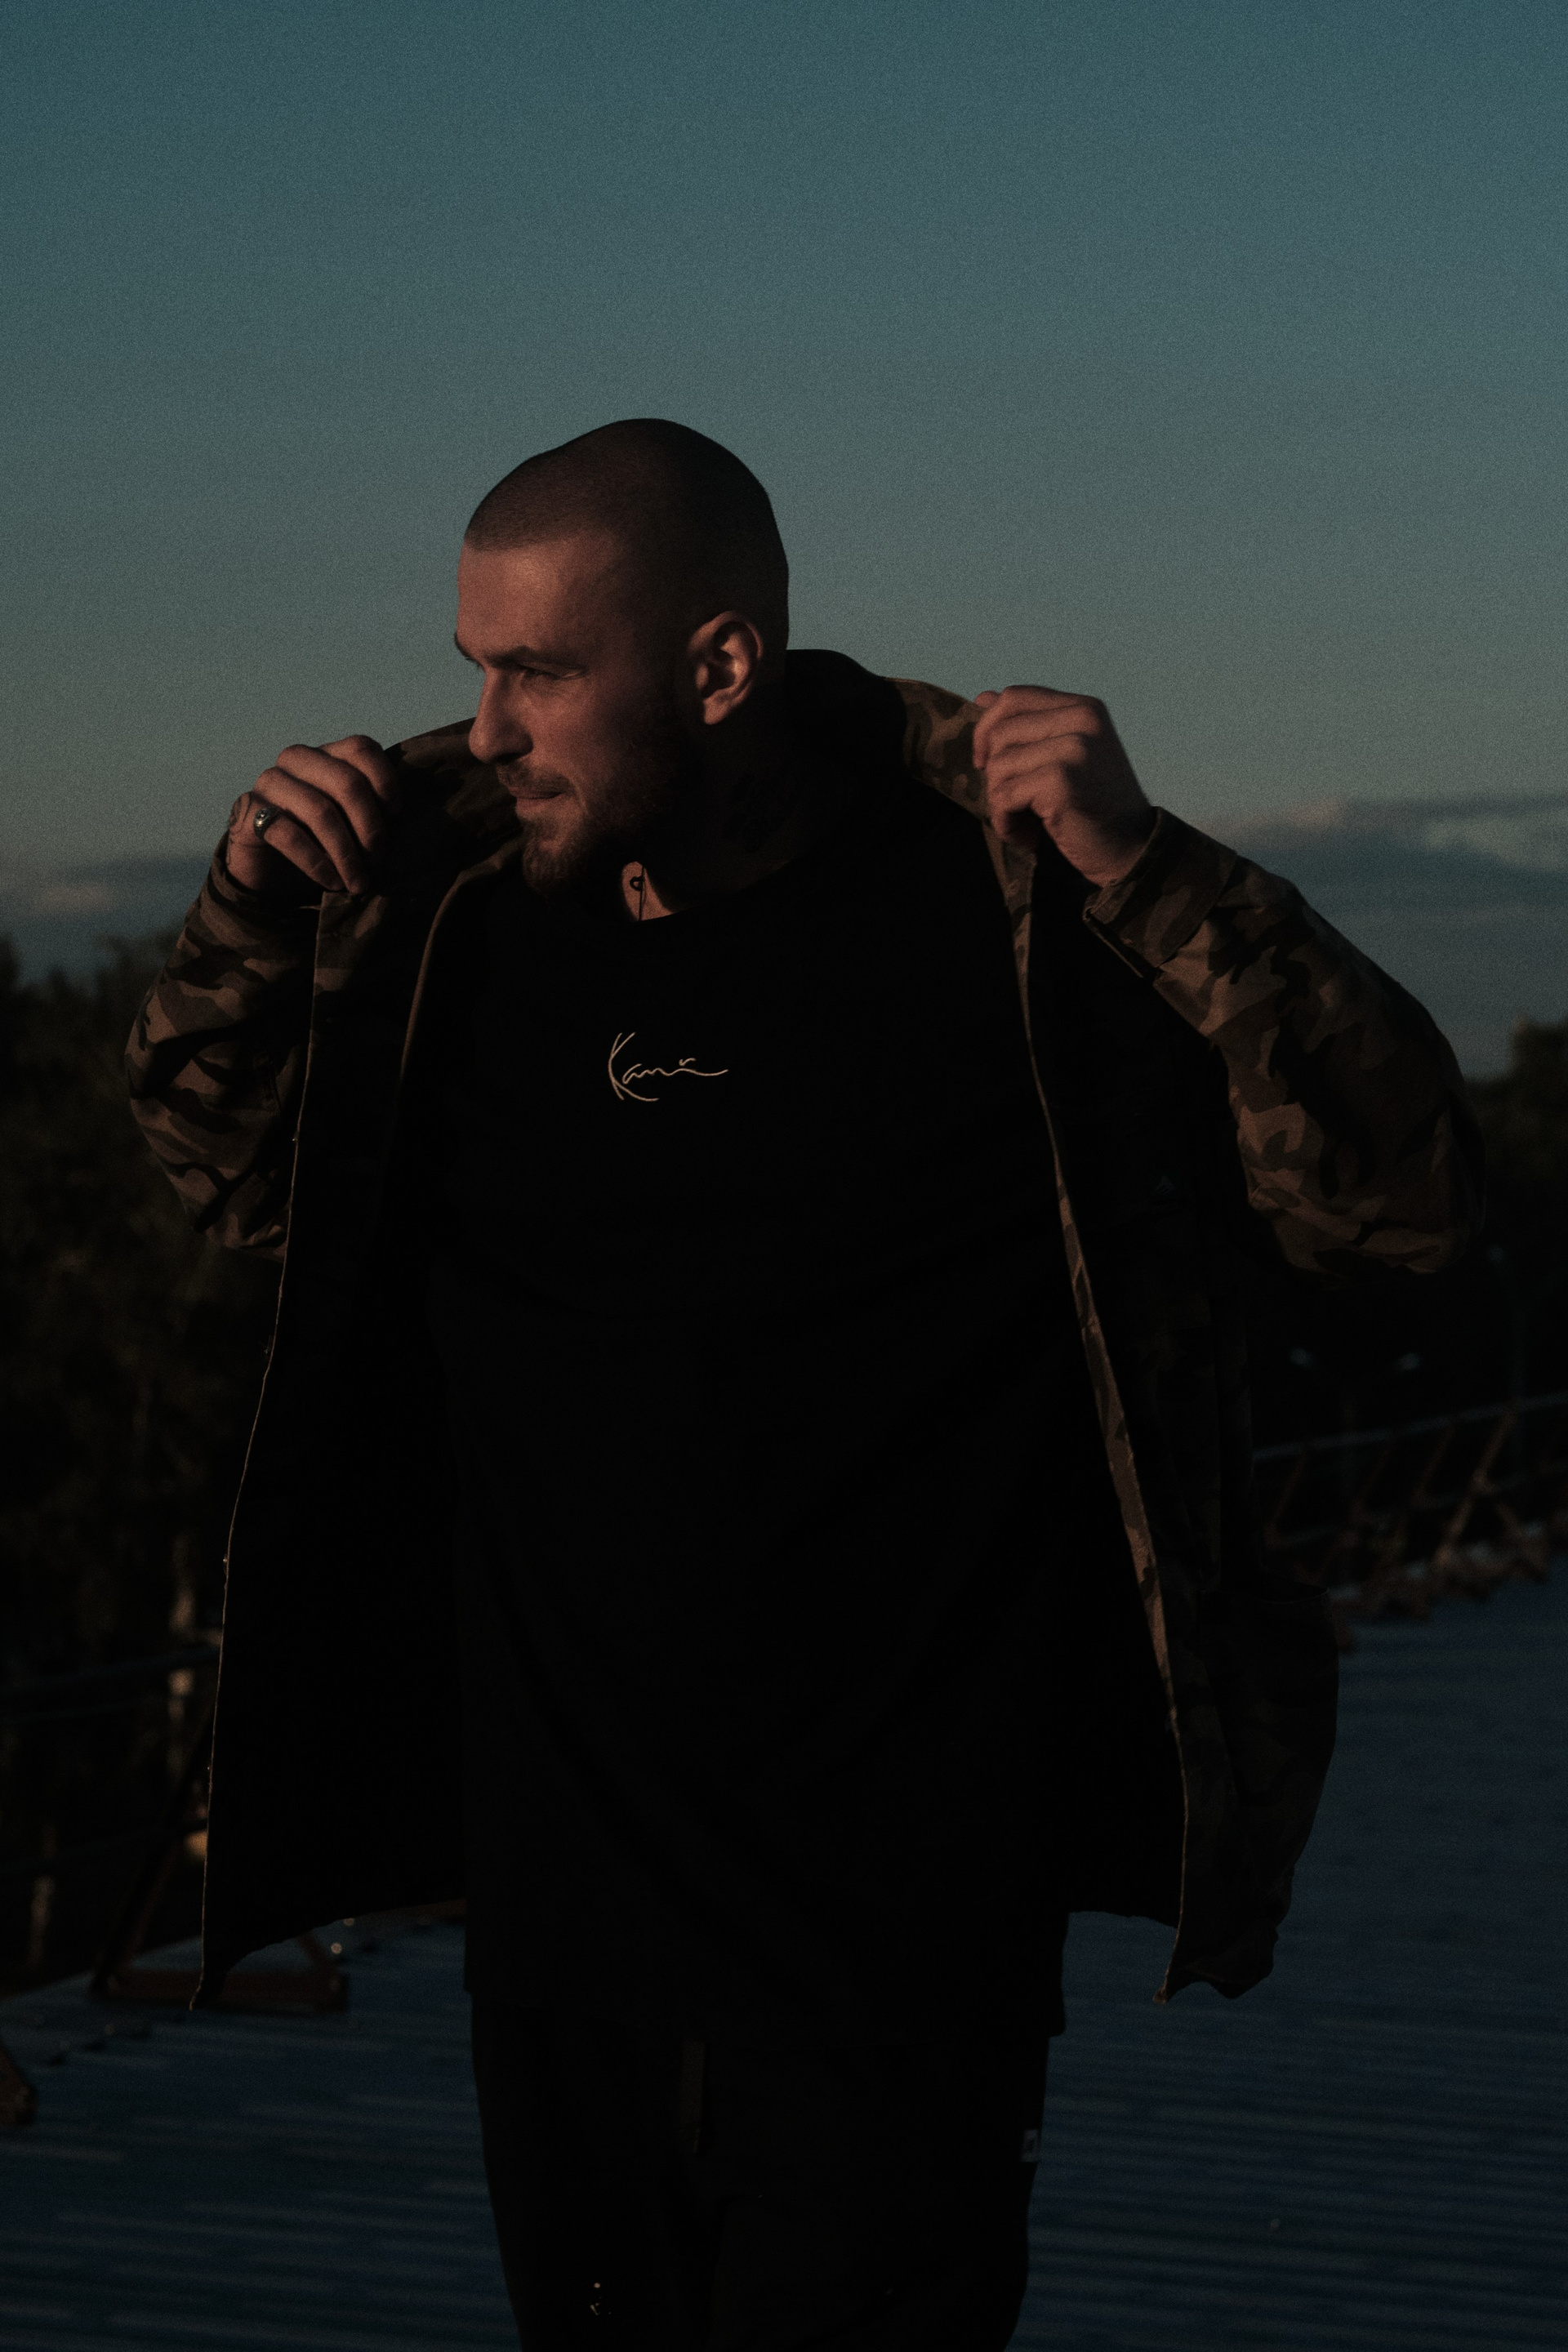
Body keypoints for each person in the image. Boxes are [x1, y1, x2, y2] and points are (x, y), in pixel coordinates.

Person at [127, 418, 1481, 2350]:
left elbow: (1402, 1202)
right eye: (474, 671)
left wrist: (1152, 868)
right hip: (559, 1926)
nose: (490, 730)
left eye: (539, 672)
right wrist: (251, 908)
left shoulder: (1005, 906)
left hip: (899, 1940)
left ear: (719, 665)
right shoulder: (448, 924)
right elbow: (237, 1188)